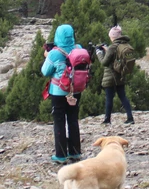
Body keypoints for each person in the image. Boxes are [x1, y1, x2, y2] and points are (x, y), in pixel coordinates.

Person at [41, 24, 85, 164]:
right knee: (73, 119)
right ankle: (75, 152)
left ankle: (61, 154)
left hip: (58, 91)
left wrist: (47, 56)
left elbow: (45, 72)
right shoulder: (79, 49)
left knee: (59, 121)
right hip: (76, 90)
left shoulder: (55, 53)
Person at [95, 26, 135, 125]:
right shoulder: (124, 44)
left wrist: (99, 53)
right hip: (120, 74)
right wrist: (107, 49)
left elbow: (104, 62)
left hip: (110, 76)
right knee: (123, 96)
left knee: (109, 97)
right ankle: (130, 118)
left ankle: (107, 120)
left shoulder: (113, 47)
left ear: (112, 36)